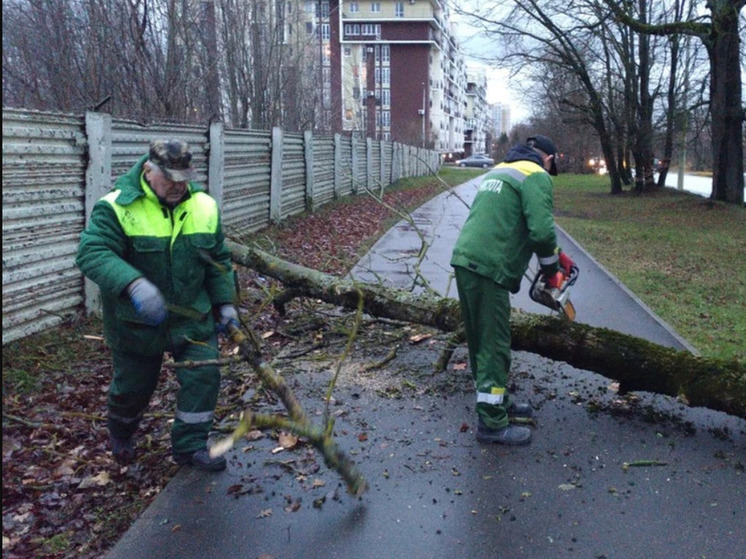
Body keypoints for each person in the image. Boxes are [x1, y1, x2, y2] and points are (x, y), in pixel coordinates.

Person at [76, 139, 239, 471]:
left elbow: (218, 260)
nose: (179, 186)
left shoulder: (204, 206)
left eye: (184, 178)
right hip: (136, 322)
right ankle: (121, 432)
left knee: (205, 374)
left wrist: (225, 303)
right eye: (170, 178)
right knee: (133, 388)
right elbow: (92, 252)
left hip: (193, 316)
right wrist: (133, 284)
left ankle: (190, 446)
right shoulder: (117, 207)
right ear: (148, 170)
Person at [450, 135, 575, 445]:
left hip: (467, 259)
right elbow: (541, 231)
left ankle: (498, 402)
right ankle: (491, 423)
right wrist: (551, 271)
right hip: (489, 268)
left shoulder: (499, 171)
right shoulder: (536, 176)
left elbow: (508, 220)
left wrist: (557, 255)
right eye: (551, 164)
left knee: (480, 339)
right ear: (548, 159)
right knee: (494, 345)